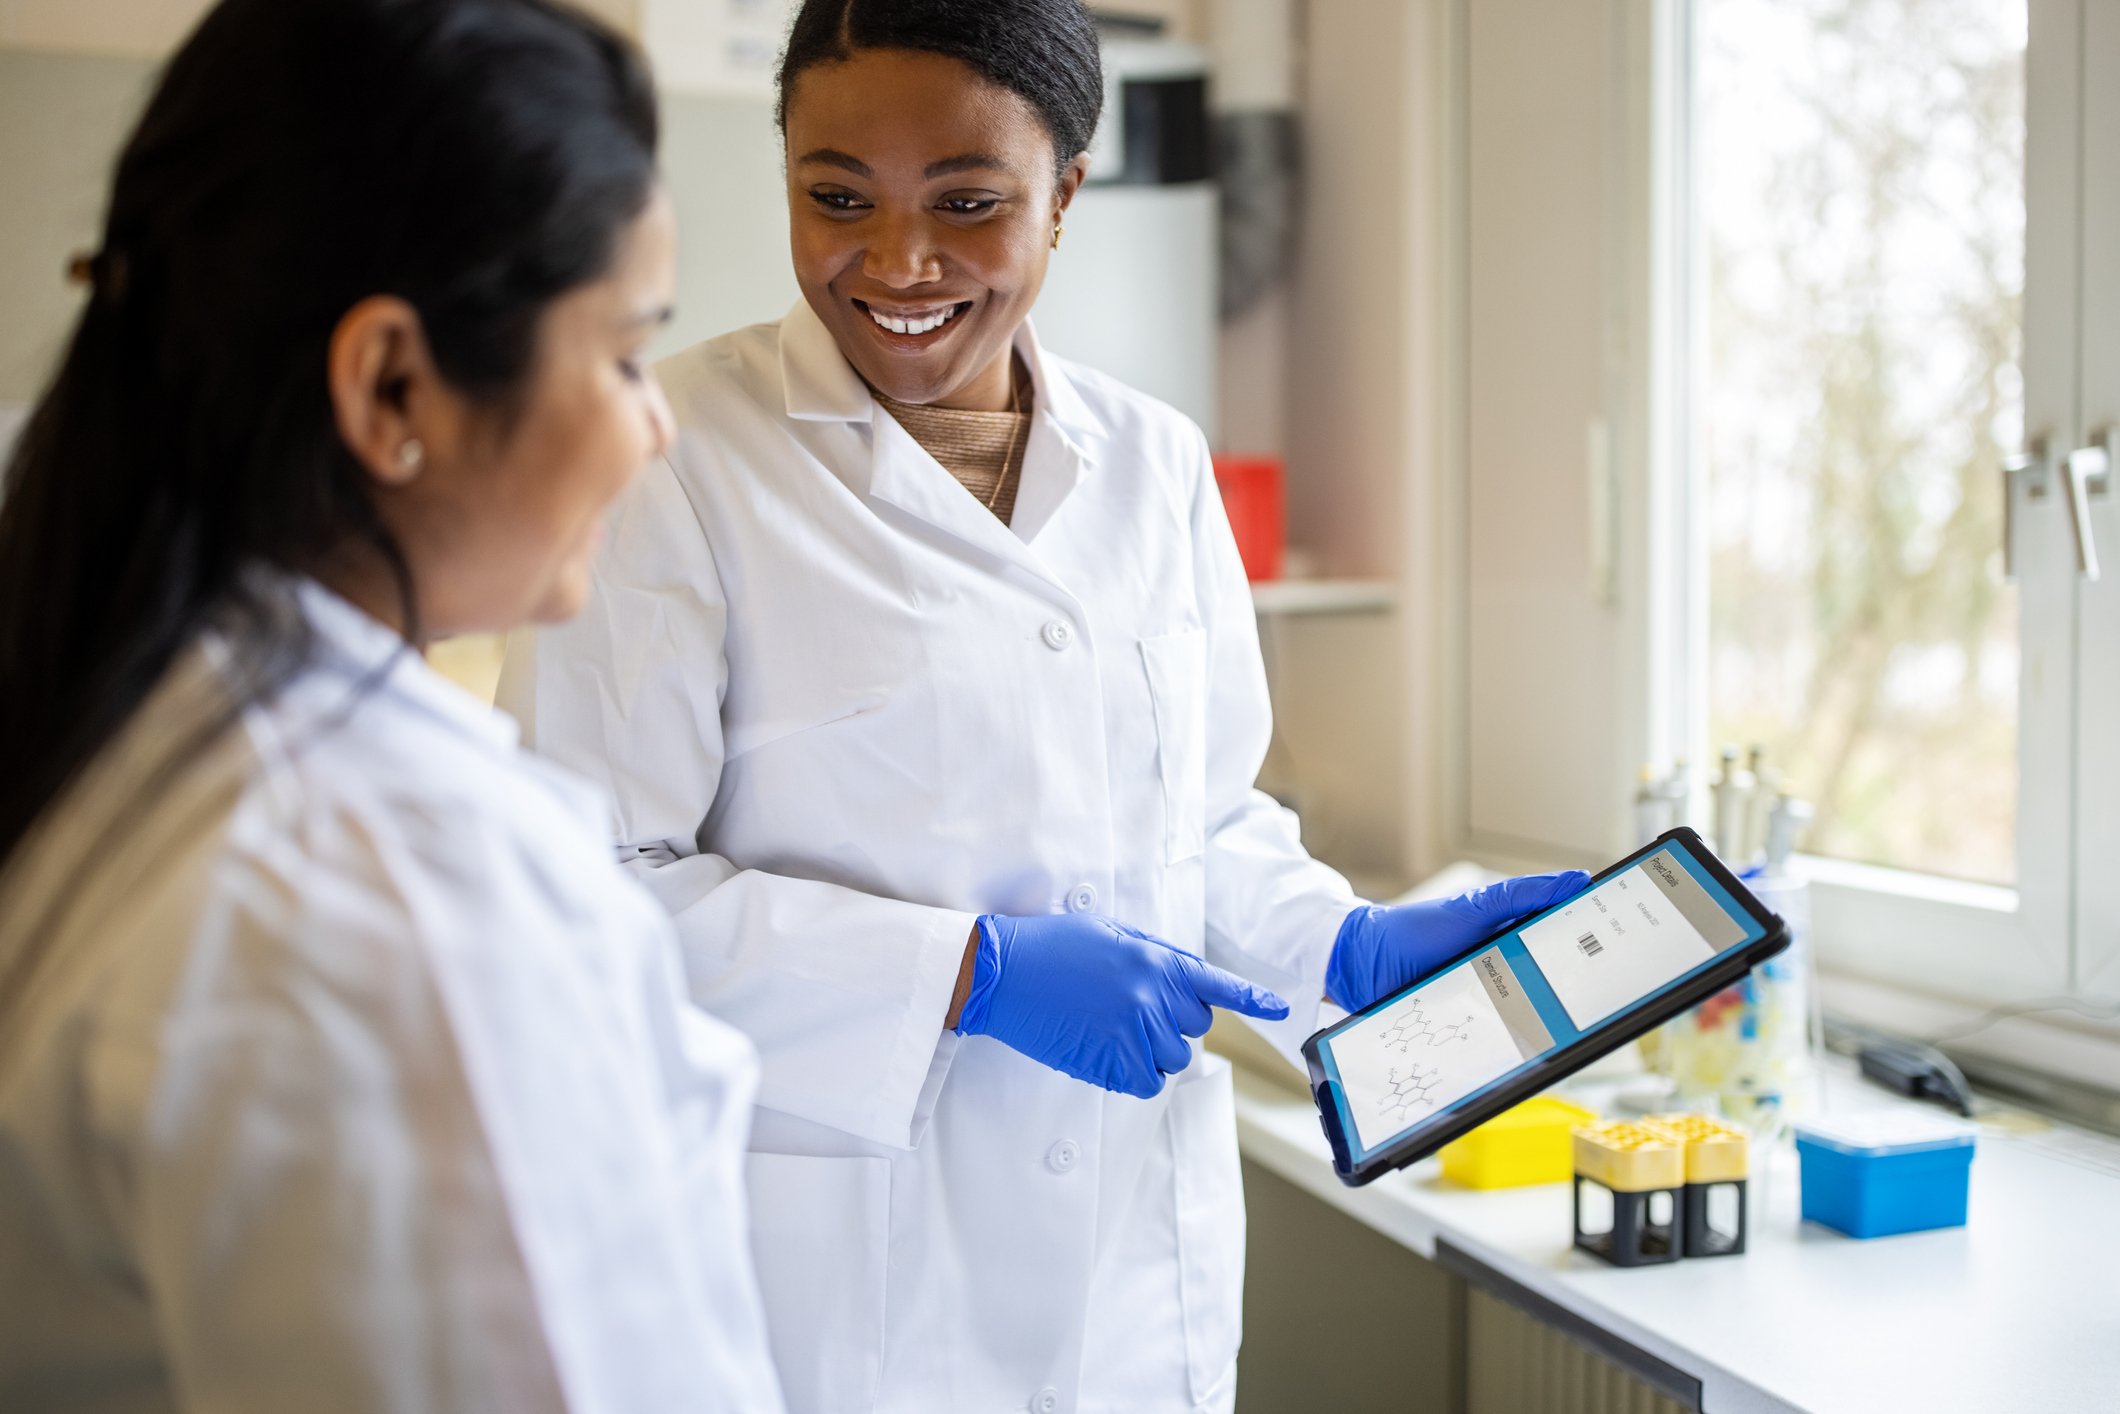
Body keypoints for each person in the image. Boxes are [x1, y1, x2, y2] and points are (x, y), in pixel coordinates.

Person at [500, 1, 1586, 1410]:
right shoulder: (673, 459)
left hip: (1135, 1294)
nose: (900, 262)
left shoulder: (1155, 464)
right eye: (839, 198)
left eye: (969, 203)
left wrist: (1342, 945)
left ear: (1064, 194)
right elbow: (582, 908)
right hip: (842, 1305)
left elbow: (1199, 819)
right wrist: (972, 972)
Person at [0, 1, 783, 1409]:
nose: (654, 422)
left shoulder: (124, 711)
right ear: (391, 386)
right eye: (621, 357)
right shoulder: (391, 892)